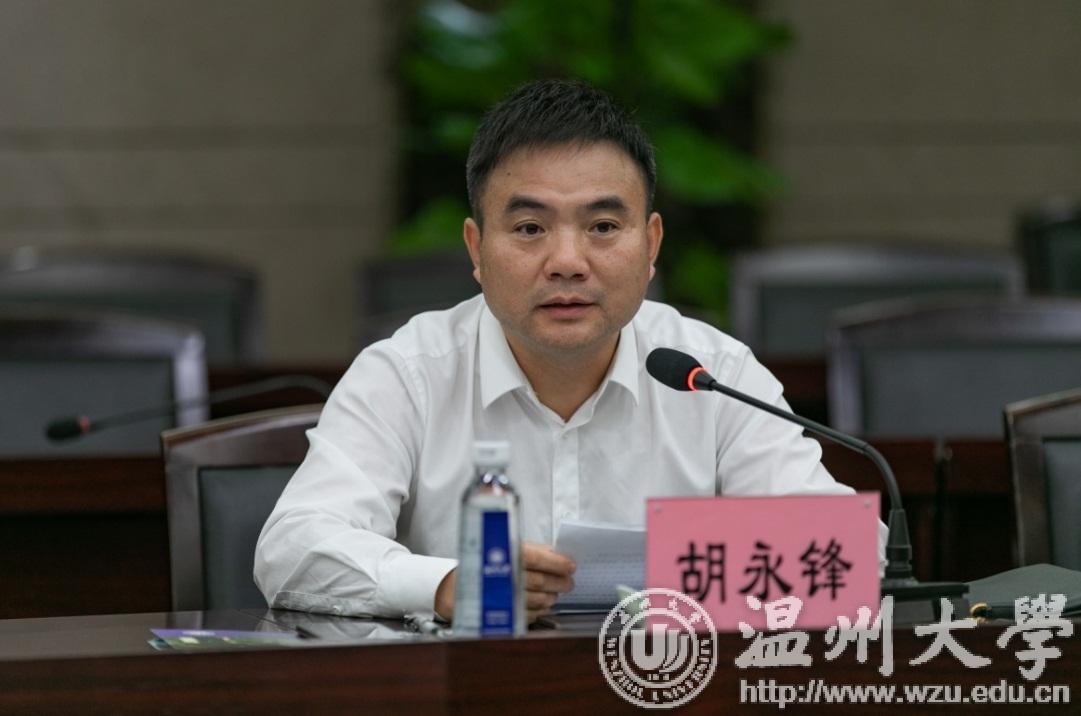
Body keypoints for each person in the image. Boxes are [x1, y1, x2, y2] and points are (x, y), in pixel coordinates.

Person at [255, 79, 885, 623]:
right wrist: (447, 584)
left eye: (603, 227)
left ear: (651, 244)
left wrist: (703, 569)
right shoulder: (407, 374)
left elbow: (850, 551)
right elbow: (293, 548)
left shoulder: (712, 373)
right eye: (529, 228)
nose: (566, 262)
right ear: (477, 249)